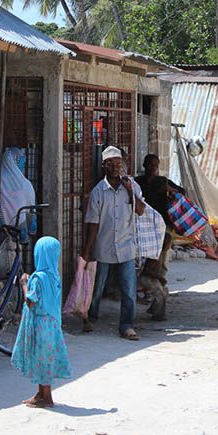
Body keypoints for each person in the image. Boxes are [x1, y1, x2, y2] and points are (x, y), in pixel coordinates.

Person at [82, 146, 145, 340]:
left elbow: (141, 209)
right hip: (104, 246)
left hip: (126, 247)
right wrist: (87, 250)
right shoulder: (98, 192)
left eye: (119, 163)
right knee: (98, 286)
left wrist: (128, 190)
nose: (116, 167)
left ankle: (126, 326)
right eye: (111, 164)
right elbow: (93, 224)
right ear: (104, 166)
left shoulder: (132, 187)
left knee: (128, 289)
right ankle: (90, 317)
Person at [11, 237, 71, 408]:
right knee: (44, 360)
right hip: (51, 324)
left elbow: (30, 301)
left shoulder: (38, 278)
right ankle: (41, 394)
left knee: (42, 360)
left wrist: (24, 284)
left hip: (40, 325)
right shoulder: (53, 275)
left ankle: (47, 398)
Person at [134, 154, 185, 321]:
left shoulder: (163, 181)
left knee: (159, 265)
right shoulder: (138, 182)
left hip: (162, 228)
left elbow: (182, 193)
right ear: (144, 165)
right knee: (147, 265)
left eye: (156, 165)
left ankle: (157, 298)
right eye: (150, 165)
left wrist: (171, 191)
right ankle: (153, 296)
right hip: (144, 229)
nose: (153, 168)